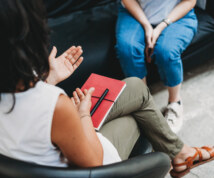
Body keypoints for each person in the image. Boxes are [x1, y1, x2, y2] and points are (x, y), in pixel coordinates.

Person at [0, 0, 213, 177]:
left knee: (135, 87)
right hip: (88, 165)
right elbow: (93, 162)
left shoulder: (26, 95)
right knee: (140, 116)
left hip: (45, 153)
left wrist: (49, 79)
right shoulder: (55, 105)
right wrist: (82, 114)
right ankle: (180, 155)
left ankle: (181, 154)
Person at [115, 0, 198, 133]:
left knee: (166, 52)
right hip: (135, 13)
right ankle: (143, 104)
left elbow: (190, 1)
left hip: (176, 14)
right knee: (128, 49)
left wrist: (160, 27)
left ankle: (175, 102)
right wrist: (147, 27)